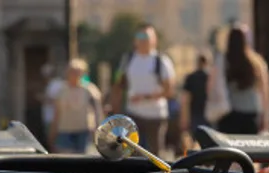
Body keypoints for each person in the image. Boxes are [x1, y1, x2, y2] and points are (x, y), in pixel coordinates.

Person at [110, 23, 176, 153]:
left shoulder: (162, 61)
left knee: (155, 155)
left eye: (146, 37)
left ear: (154, 40)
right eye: (140, 36)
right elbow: (118, 85)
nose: (143, 40)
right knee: (131, 153)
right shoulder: (127, 59)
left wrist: (145, 97)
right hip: (133, 114)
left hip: (155, 116)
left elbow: (169, 90)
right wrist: (115, 111)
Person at [209, 24, 269, 135]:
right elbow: (265, 92)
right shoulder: (256, 62)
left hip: (228, 114)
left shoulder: (223, 61)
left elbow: (211, 85)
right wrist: (266, 119)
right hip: (251, 114)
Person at [49, 59, 103, 154]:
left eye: (78, 72)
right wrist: (53, 133)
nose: (75, 75)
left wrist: (98, 131)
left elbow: (98, 112)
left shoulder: (90, 90)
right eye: (72, 72)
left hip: (83, 132)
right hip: (65, 132)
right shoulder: (61, 91)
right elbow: (57, 113)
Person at [180, 52, 210, 142]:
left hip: (194, 114)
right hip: (209, 113)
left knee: (195, 140)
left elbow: (186, 99)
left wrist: (184, 118)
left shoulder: (191, 78)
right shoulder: (210, 78)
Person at [40, 64, 67, 139]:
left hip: (53, 119)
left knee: (53, 140)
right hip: (49, 118)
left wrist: (44, 99)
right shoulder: (51, 84)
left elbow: (56, 100)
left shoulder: (55, 84)